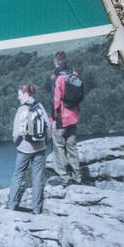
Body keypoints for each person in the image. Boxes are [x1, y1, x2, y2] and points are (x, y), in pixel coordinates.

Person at [6, 84, 49, 215]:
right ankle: (36, 209)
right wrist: (44, 143)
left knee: (17, 176)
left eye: (19, 94)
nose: (18, 97)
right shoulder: (39, 106)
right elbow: (48, 126)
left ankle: (11, 205)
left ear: (25, 94)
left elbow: (16, 133)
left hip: (25, 148)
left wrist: (17, 144)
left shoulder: (22, 110)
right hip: (40, 148)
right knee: (38, 178)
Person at [48, 51, 88, 186]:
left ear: (56, 62)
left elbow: (55, 101)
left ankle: (64, 177)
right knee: (72, 146)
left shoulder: (57, 78)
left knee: (58, 146)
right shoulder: (74, 74)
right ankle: (77, 176)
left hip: (61, 118)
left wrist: (53, 119)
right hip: (74, 116)